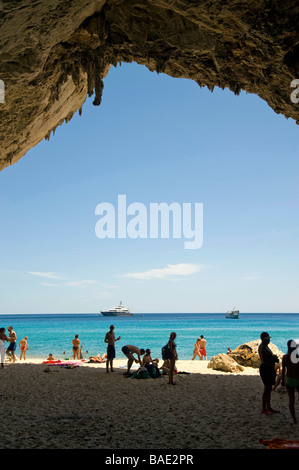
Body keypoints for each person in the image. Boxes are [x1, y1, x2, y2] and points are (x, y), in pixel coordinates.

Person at [258, 331, 280, 415]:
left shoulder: (266, 346)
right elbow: (265, 359)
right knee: (266, 388)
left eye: (268, 338)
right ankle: (264, 408)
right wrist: (274, 359)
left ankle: (268, 406)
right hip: (266, 368)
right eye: (267, 339)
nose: (268, 340)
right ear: (263, 339)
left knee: (269, 388)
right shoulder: (263, 347)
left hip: (269, 368)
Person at [281, 339, 299, 424]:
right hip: (297, 379)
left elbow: (283, 370)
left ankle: (294, 419)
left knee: (291, 400)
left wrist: (283, 380)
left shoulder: (285, 357)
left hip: (289, 379)